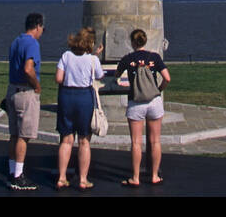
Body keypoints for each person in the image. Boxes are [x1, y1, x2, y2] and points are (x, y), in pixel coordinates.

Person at [111, 28, 169, 186]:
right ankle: (155, 175)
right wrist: (159, 89)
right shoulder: (154, 57)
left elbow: (116, 75)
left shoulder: (127, 58)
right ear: (145, 41)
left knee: (136, 142)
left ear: (132, 42)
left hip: (136, 101)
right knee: (155, 141)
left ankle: (135, 177)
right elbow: (167, 78)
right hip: (154, 101)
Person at [54, 26, 103, 190]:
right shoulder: (92, 60)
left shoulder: (66, 56)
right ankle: (83, 179)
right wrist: (95, 57)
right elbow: (99, 75)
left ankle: (61, 178)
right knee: (84, 140)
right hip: (84, 98)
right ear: (90, 42)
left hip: (66, 97)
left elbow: (59, 78)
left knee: (66, 139)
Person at [5, 12, 45, 190]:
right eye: (42, 28)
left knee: (14, 134)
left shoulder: (16, 41)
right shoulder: (32, 43)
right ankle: (19, 177)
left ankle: (13, 171)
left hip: (12, 89)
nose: (42, 31)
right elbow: (28, 69)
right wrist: (36, 86)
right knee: (24, 136)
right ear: (37, 26)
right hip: (25, 91)